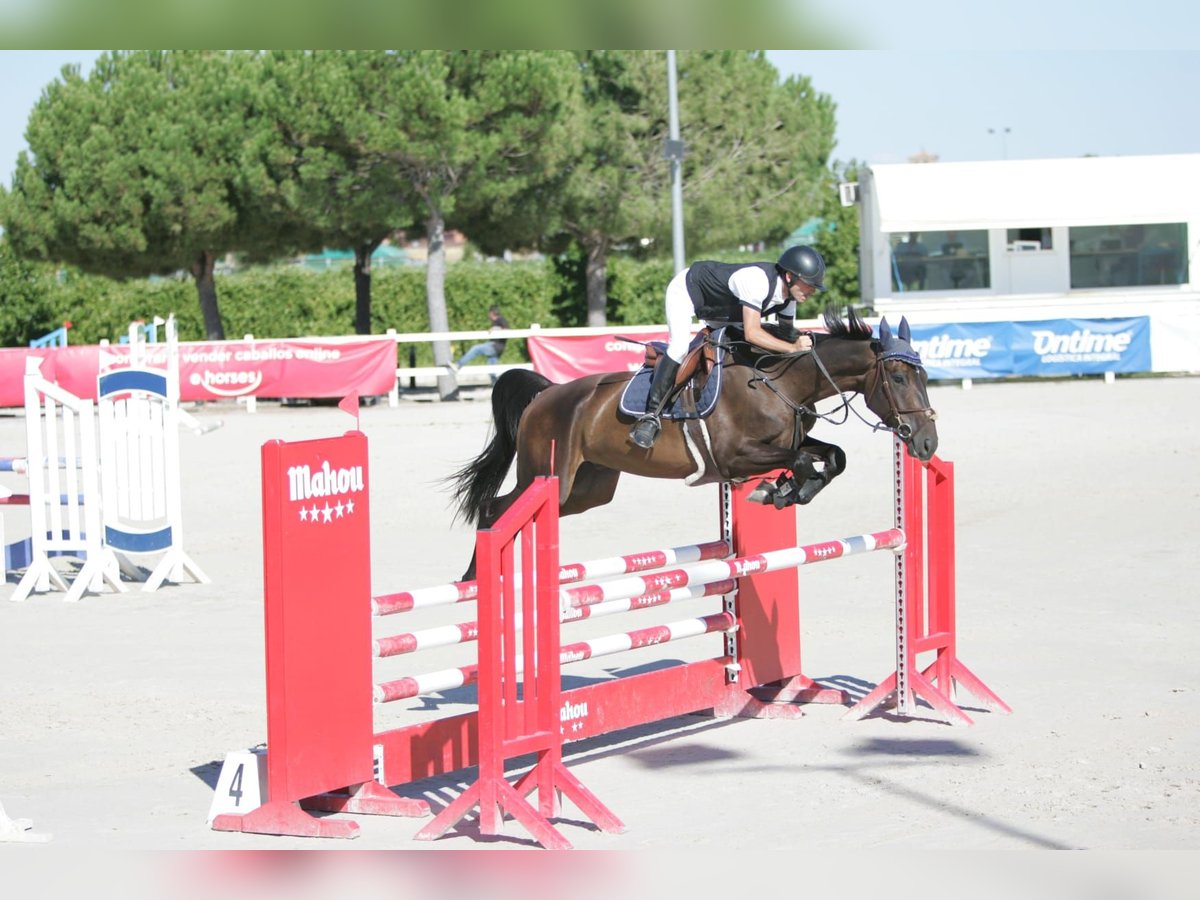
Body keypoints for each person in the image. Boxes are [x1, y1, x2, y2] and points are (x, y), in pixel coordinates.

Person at [628, 244, 824, 450]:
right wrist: (793, 348)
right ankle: (651, 416)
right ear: (790, 277)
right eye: (809, 284)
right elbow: (753, 333)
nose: (812, 290)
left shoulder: (788, 299)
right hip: (689, 291)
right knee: (679, 348)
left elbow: (786, 335)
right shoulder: (757, 281)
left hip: (724, 312)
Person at [451, 305, 509, 384]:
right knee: (491, 371)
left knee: (476, 349)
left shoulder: (500, 320)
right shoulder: (496, 321)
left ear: (492, 313)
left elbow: (506, 329)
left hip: (495, 346)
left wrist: (495, 329)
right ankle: (499, 389)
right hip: (496, 347)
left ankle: (458, 365)